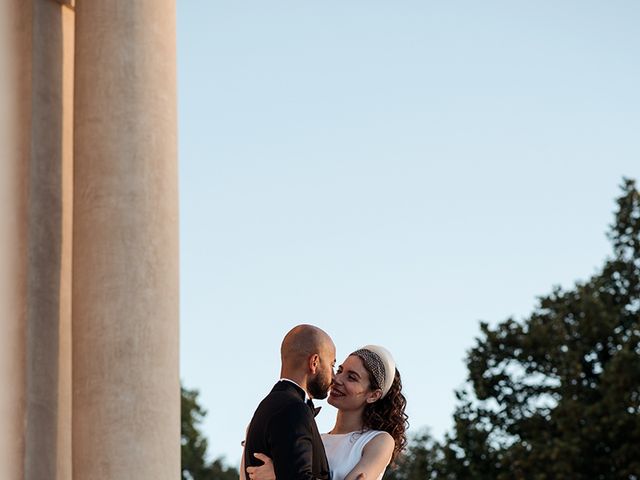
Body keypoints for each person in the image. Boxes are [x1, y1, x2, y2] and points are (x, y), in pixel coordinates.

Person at [245, 344, 408, 480]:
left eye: (351, 377)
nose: (337, 380)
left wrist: (281, 474)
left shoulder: (379, 441)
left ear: (373, 395)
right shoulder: (314, 437)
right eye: (339, 371)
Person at [243, 324, 336, 480]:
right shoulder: (293, 409)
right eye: (332, 365)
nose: (333, 376)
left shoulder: (271, 404)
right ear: (314, 362)